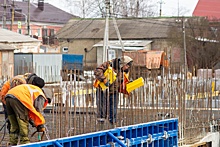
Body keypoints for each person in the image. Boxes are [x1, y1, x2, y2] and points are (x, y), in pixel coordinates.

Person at [94, 55, 133, 126]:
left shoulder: (122, 71)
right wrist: (104, 79)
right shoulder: (108, 64)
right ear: (123, 64)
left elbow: (121, 82)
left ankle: (113, 124)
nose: (127, 68)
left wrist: (128, 85)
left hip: (114, 91)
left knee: (113, 110)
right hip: (102, 91)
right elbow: (97, 71)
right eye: (127, 66)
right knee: (102, 109)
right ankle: (100, 125)